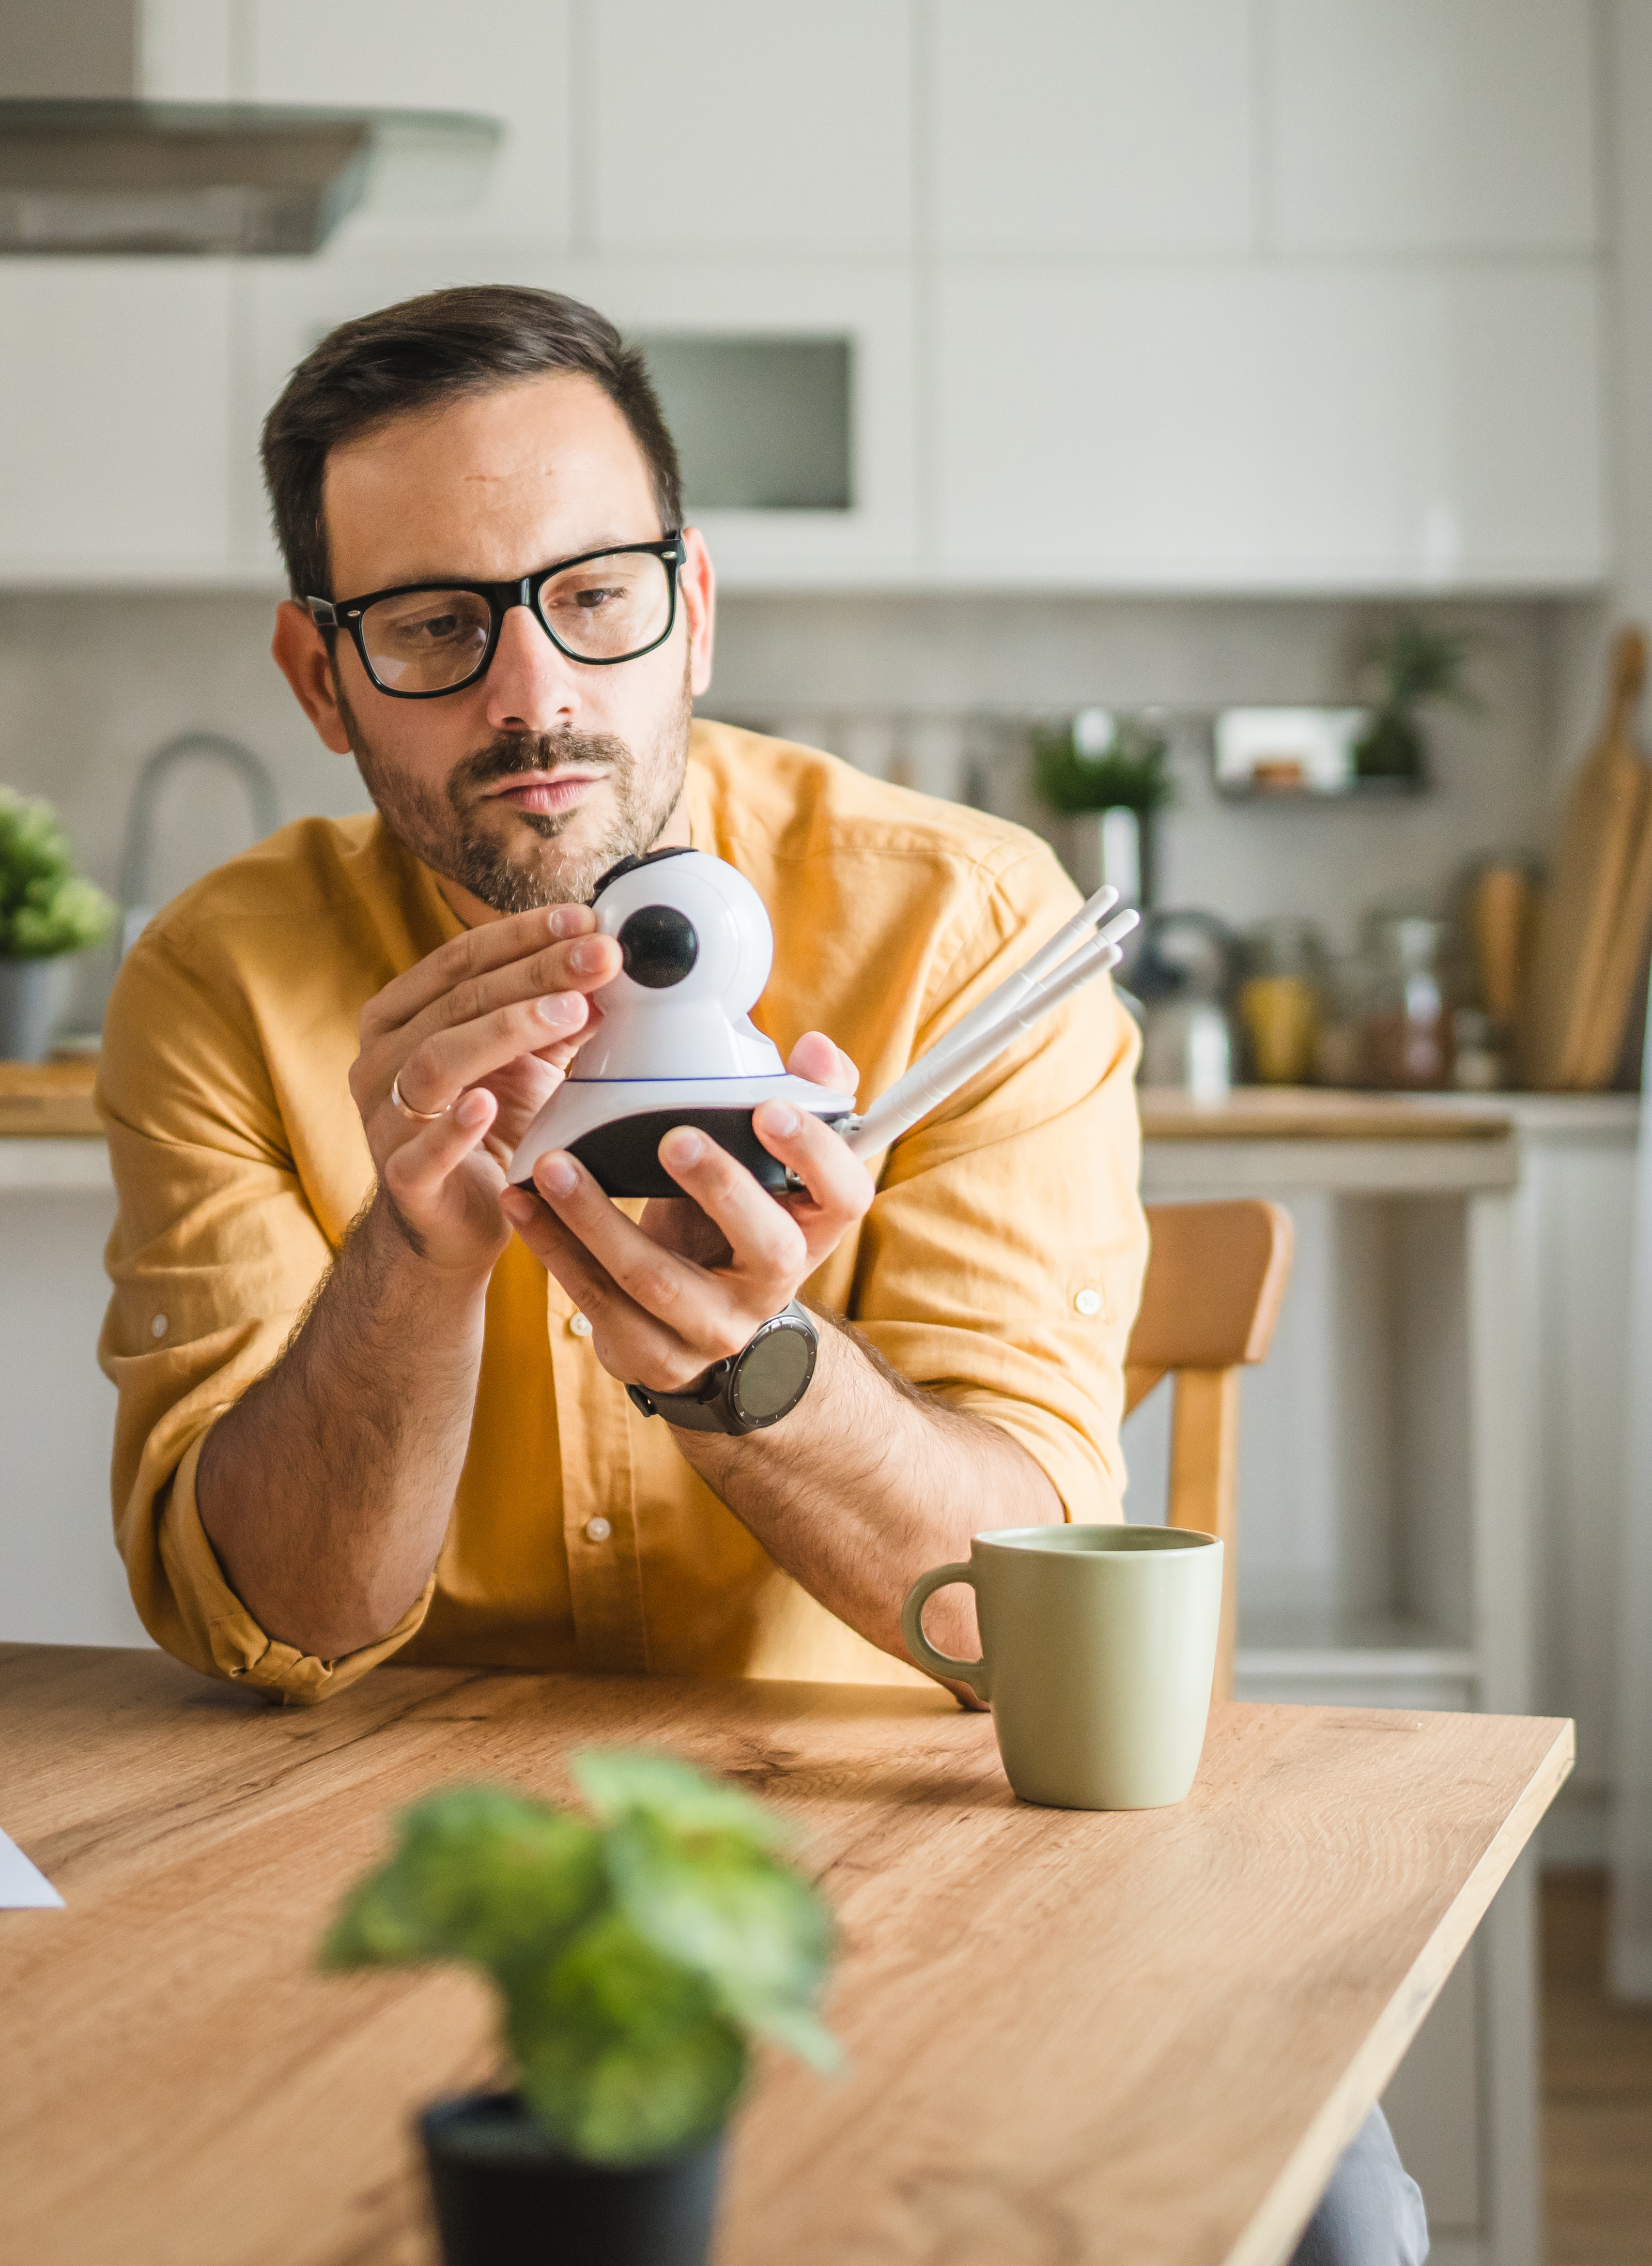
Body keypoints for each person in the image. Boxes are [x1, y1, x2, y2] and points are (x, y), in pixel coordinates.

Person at [94, 284, 1425, 2266]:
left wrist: (759, 1373)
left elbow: (1029, 1616)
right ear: (319, 674)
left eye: (595, 597)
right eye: (437, 624)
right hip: (438, 1892)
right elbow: (256, 1625)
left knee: (1327, 2223)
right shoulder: (226, 979)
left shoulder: (962, 933)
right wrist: (417, 1258)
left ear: (692, 608)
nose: (532, 693)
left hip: (917, 1857)